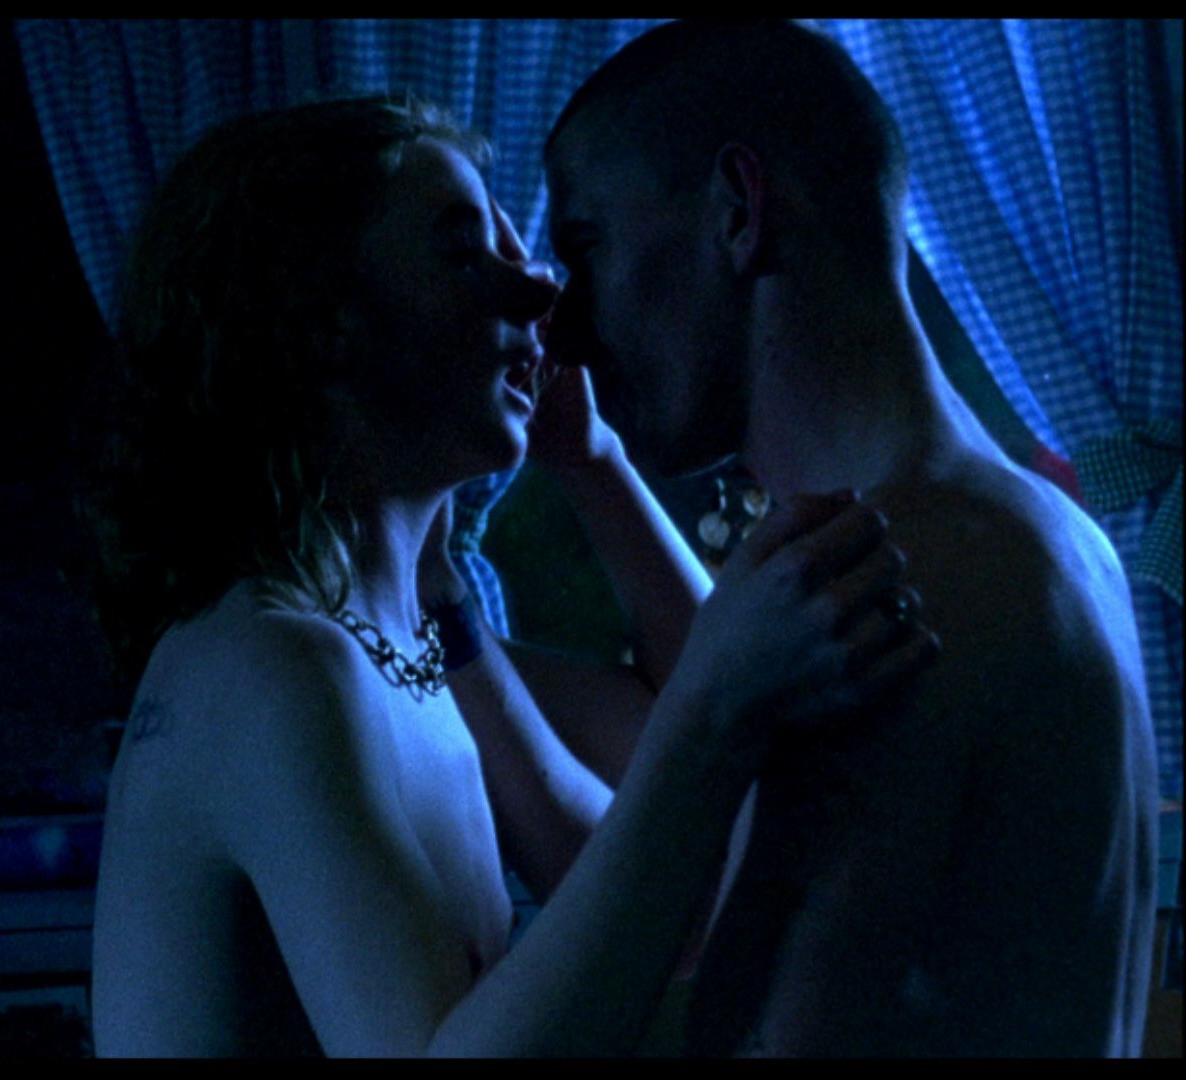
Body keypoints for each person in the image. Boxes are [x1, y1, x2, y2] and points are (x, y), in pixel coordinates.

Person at [78, 93, 936, 1057]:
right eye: (463, 253)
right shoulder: (273, 667)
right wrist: (714, 705)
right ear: (321, 322)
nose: (539, 290)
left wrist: (593, 459)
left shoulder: (406, 649)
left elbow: (666, 883)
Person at [539, 19, 1159, 1056]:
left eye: (586, 245)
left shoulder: (870, 601)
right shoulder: (1047, 534)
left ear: (738, 211)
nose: (565, 326)